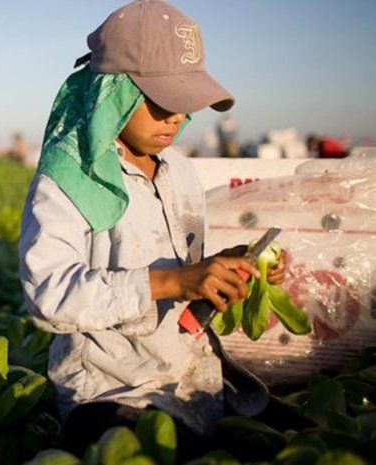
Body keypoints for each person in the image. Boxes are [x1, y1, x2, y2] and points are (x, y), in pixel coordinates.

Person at [19, 1, 303, 461]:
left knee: (312, 439)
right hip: (115, 392)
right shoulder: (66, 179)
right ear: (114, 92)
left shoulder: (180, 172)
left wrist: (230, 266)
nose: (176, 117)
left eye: (185, 102)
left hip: (195, 380)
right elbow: (48, 294)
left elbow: (185, 273)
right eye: (162, 101)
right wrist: (175, 282)